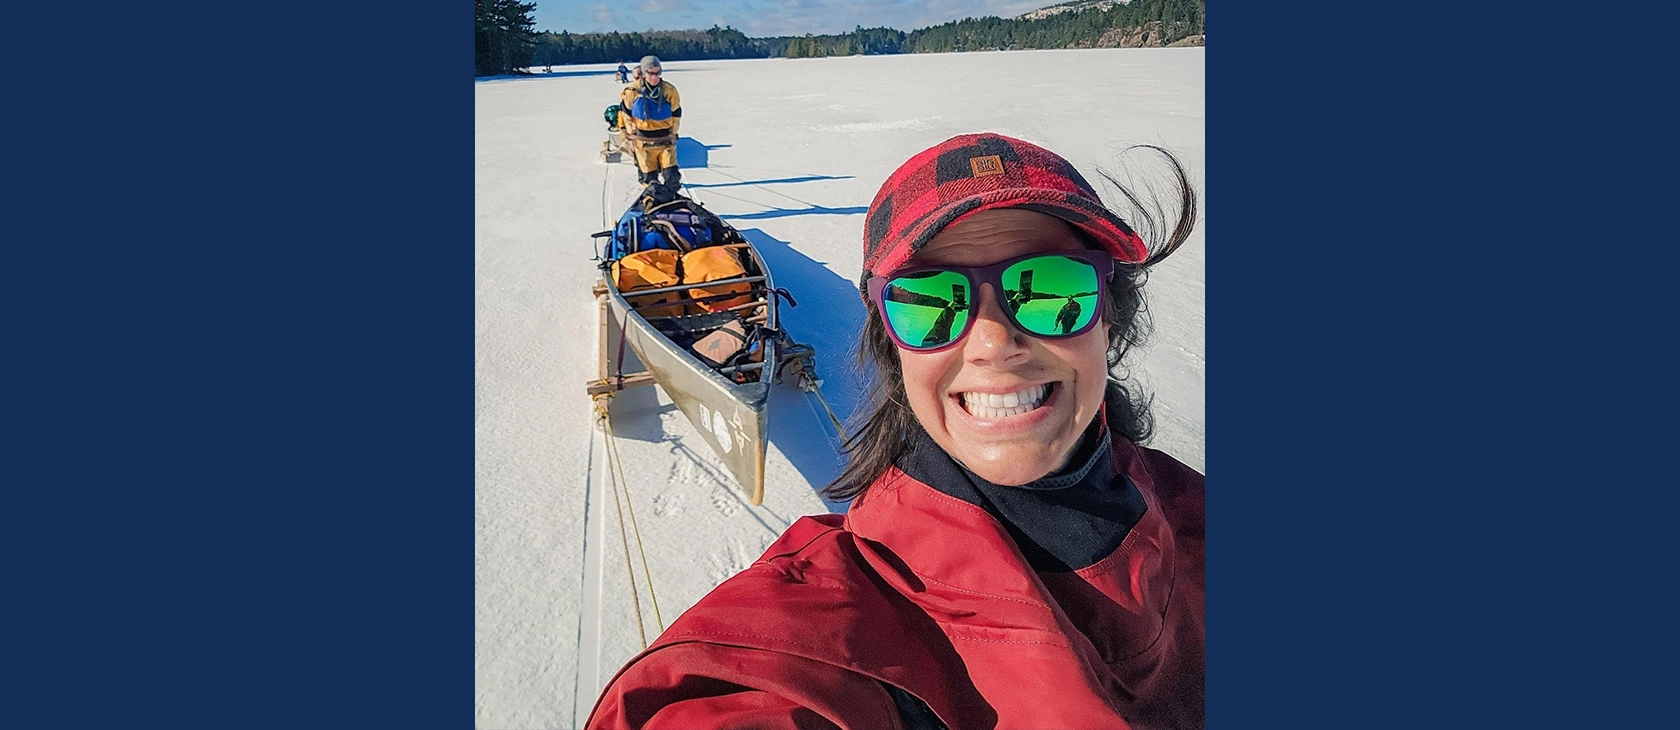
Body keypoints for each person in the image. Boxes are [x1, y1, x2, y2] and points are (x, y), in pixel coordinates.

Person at [586, 133, 1205, 729]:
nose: (993, 344)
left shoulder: (1196, 510)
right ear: (893, 347)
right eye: (931, 303)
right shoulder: (830, 629)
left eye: (1050, 289)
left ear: (1108, 318)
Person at [617, 55, 682, 196]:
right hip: (643, 143)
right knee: (650, 180)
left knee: (672, 177)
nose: (654, 77)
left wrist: (674, 133)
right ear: (644, 73)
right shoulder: (632, 92)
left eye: (657, 73)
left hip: (665, 141)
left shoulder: (669, 90)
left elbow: (676, 113)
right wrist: (629, 134)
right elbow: (626, 114)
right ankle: (653, 205)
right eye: (651, 73)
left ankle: (673, 203)